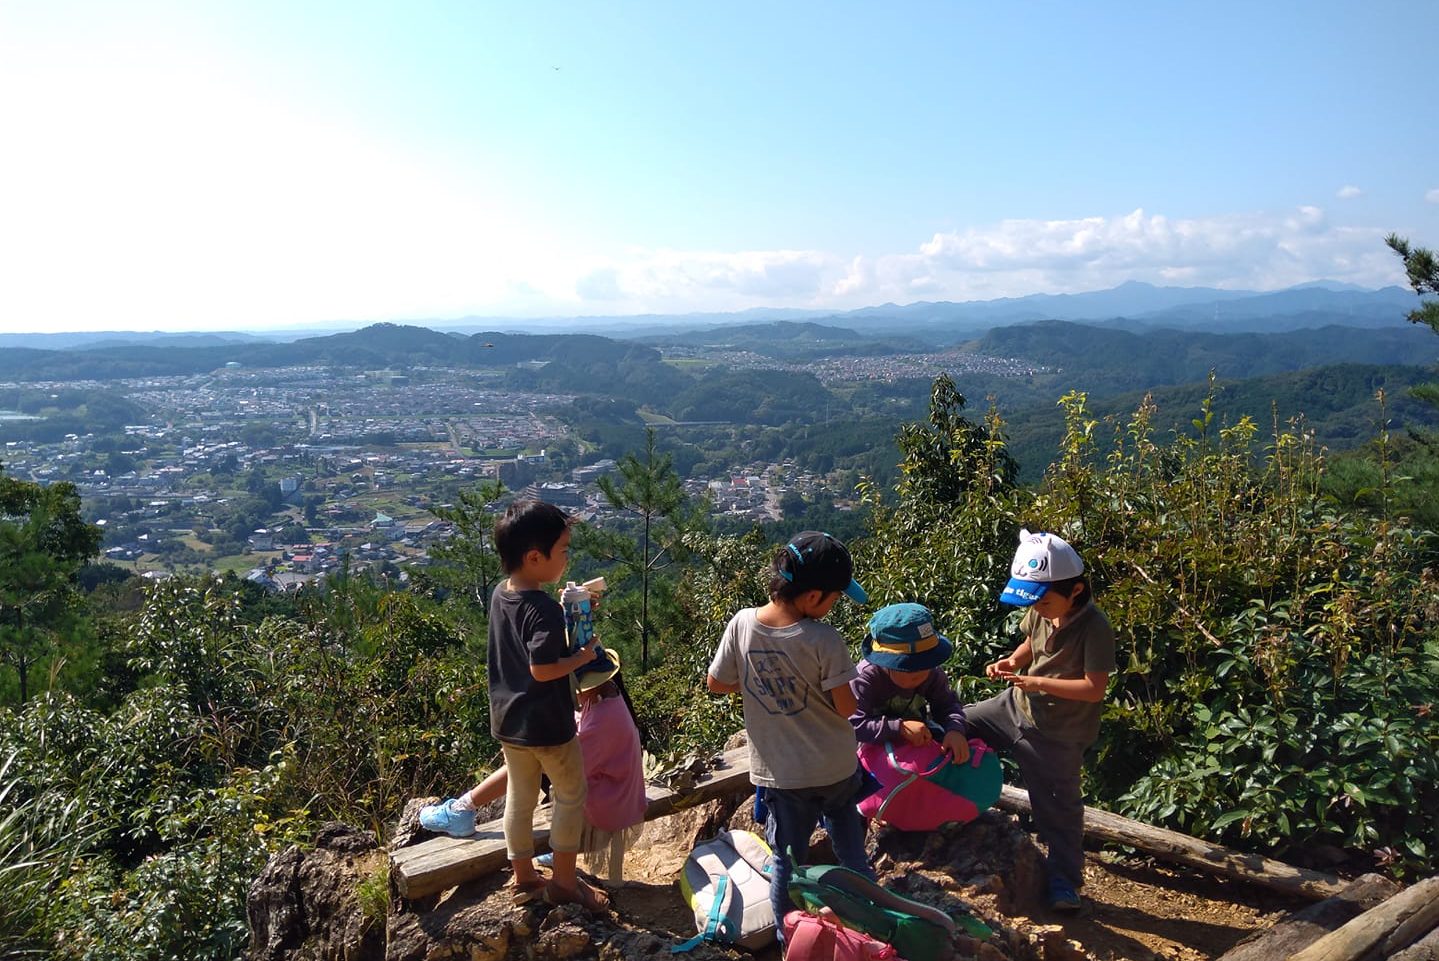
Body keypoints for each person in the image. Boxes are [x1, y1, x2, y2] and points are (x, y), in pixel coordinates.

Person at [423, 499, 608, 911]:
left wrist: (566, 613)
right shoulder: (541, 608)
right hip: (548, 725)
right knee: (570, 795)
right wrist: (580, 657)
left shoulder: (501, 594)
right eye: (563, 550)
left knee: (520, 799)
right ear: (535, 557)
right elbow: (543, 668)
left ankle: (524, 877)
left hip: (509, 721)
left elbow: (526, 642)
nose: (567, 557)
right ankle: (563, 882)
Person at [705, 531, 873, 948]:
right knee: (851, 851)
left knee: (786, 860)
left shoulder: (742, 624)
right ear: (813, 596)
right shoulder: (825, 640)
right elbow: (845, 708)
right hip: (835, 769)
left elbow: (717, 683)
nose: (834, 605)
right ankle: (869, 924)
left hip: (782, 777)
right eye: (834, 597)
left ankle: (789, 941)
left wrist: (761, 683)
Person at [964, 528, 1116, 914]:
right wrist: (1013, 662)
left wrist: (1037, 681)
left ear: (1076, 590)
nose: (1038, 607)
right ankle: (942, 808)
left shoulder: (1095, 628)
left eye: (1045, 600)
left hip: (1059, 734)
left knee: (1058, 810)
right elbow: (1031, 642)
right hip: (1014, 706)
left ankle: (1065, 880)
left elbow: (1093, 689)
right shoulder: (1041, 608)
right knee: (954, 724)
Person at [421, 652, 647, 885]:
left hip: (607, 805)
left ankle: (463, 809)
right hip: (616, 794)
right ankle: (464, 808)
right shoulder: (608, 696)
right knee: (528, 757)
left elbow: (558, 764)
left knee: (524, 763)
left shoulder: (602, 721)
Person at [849, 602, 970, 763]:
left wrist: (955, 730)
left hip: (918, 745)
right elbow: (852, 725)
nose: (920, 674)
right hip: (871, 751)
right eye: (910, 669)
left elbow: (947, 705)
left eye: (925, 666)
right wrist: (900, 728)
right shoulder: (865, 678)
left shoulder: (933, 673)